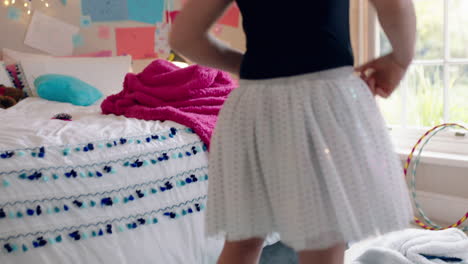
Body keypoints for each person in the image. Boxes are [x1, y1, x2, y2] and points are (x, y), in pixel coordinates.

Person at [170, 0, 416, 263]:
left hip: (253, 105)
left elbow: (184, 38)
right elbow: (396, 5)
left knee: (243, 241)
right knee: (323, 244)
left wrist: (252, 66)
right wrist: (400, 58)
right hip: (320, 98)